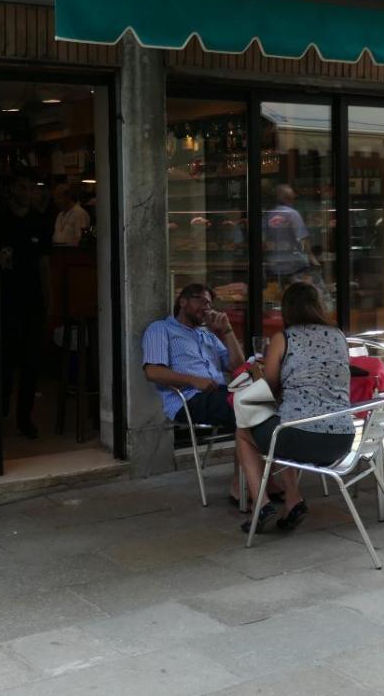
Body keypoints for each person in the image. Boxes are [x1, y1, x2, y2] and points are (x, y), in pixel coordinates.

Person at [240, 281, 354, 534]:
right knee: (285, 422)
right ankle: (292, 499)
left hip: (302, 438)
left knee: (245, 431)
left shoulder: (284, 338)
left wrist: (256, 372)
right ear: (318, 306)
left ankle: (261, 504)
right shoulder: (338, 336)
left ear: (287, 309)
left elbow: (270, 388)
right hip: (342, 441)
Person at [142, 282, 260, 505]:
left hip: (218, 394)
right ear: (183, 301)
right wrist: (194, 380)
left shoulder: (208, 336)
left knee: (263, 403)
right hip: (188, 399)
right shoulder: (160, 329)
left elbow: (238, 367)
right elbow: (152, 371)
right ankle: (241, 485)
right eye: (202, 301)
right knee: (248, 408)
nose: (206, 308)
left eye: (209, 304)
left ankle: (259, 480)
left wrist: (227, 330)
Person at [0, 174, 49, 439]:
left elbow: (44, 263)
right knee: (5, 359)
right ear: (12, 189)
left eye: (31, 187)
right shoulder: (0, 219)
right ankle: (1, 406)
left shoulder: (38, 221)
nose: (27, 192)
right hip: (4, 299)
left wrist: (49, 300)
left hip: (33, 301)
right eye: (22, 187)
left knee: (31, 362)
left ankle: (24, 418)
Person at [264, 184, 318, 285]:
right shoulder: (292, 214)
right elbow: (303, 238)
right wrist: (312, 257)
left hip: (274, 264)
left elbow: (264, 238)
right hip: (294, 264)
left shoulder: (269, 214)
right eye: (293, 198)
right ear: (288, 198)